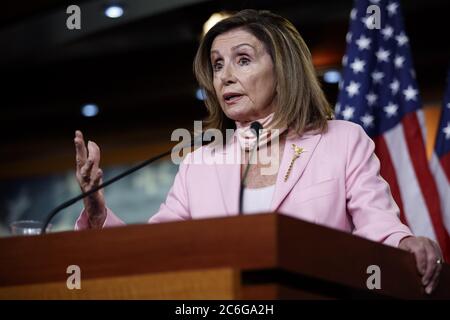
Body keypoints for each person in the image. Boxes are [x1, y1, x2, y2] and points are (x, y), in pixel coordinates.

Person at [73, 9, 443, 294]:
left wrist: (404, 242)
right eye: (217, 65)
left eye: (243, 59)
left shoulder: (342, 140)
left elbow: (376, 223)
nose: (224, 76)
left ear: (283, 70)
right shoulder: (199, 163)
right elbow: (157, 252)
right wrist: (98, 211)